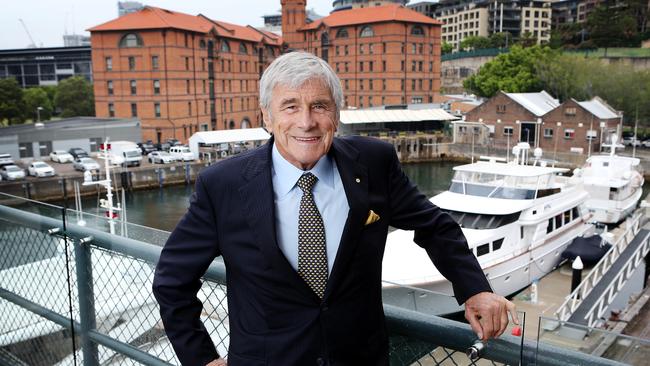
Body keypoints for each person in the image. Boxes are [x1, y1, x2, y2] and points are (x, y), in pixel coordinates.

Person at [152, 51, 517, 366]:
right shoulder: (223, 185)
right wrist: (201, 358)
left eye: (319, 106)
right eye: (290, 106)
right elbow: (172, 281)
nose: (306, 121)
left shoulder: (374, 163)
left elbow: (435, 227)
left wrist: (474, 289)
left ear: (336, 114)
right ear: (266, 116)